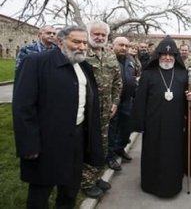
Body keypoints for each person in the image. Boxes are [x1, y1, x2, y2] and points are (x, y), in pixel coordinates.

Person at [12, 25, 103, 208]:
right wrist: (29, 145)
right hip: (47, 141)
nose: (82, 47)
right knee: (40, 193)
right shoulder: (35, 62)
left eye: (85, 43)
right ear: (60, 41)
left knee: (70, 190)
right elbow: (23, 107)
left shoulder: (84, 66)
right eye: (76, 42)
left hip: (77, 138)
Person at [131, 36, 191, 197]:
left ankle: (172, 185)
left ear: (175, 56)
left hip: (175, 123)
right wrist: (140, 123)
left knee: (172, 155)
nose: (167, 58)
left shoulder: (182, 74)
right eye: (164, 55)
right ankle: (150, 184)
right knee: (153, 153)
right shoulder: (149, 73)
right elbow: (140, 100)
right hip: (153, 123)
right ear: (158, 55)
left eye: (171, 55)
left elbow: (189, 98)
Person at [81, 21, 122, 198]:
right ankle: (86, 182)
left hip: (106, 109)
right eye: (96, 34)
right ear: (89, 34)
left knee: (103, 143)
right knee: (88, 144)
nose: (99, 37)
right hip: (87, 110)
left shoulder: (110, 55)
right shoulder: (82, 54)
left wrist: (115, 103)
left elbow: (117, 82)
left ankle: (97, 176)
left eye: (103, 35)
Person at [107, 37, 138, 170]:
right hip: (112, 102)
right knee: (111, 130)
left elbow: (133, 78)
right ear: (113, 45)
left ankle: (120, 148)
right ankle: (110, 156)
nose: (124, 48)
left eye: (126, 45)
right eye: (121, 45)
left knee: (126, 128)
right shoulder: (108, 60)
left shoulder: (130, 60)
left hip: (127, 100)